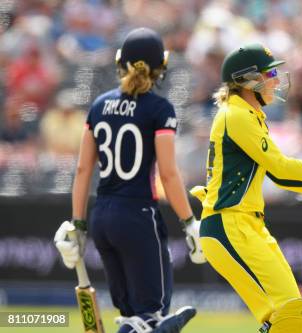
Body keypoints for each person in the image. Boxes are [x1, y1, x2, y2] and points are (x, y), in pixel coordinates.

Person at [190, 43, 302, 333]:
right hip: (229, 225)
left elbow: (281, 177)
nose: (276, 80)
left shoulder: (250, 115)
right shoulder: (236, 115)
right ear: (247, 80)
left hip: (247, 226)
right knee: (287, 314)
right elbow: (281, 167)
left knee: (297, 315)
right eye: (270, 73)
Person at [53, 27, 205, 333]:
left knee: (131, 315)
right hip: (137, 216)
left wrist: (78, 223)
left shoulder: (99, 106)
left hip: (101, 218)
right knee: (152, 315)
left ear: (121, 62)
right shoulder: (159, 109)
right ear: (160, 66)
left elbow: (83, 170)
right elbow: (168, 173)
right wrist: (189, 221)